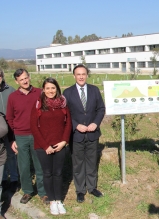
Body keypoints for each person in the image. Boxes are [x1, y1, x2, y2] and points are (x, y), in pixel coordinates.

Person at [63, 65, 105, 203]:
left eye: (83, 74)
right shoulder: (67, 93)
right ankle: (80, 190)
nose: (81, 76)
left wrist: (95, 123)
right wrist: (76, 125)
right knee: (78, 163)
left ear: (87, 75)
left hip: (92, 134)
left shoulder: (94, 90)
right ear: (74, 76)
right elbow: (65, 114)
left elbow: (101, 109)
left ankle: (92, 187)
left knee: (92, 162)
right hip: (76, 135)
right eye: (78, 74)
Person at [30, 78, 72, 215]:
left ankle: (59, 200)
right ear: (43, 89)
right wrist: (45, 146)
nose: (50, 91)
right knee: (47, 173)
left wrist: (64, 141)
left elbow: (68, 124)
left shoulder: (63, 104)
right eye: (47, 88)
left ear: (57, 89)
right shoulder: (38, 105)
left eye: (53, 88)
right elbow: (34, 127)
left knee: (58, 173)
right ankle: (52, 201)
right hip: (43, 147)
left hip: (60, 145)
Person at [6, 69, 47, 204]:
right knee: (23, 166)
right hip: (21, 135)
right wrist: (12, 139)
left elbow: (45, 112)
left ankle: (42, 192)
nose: (24, 81)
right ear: (16, 82)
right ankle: (28, 191)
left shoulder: (39, 93)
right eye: (21, 79)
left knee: (39, 164)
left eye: (25, 78)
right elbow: (10, 118)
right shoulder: (13, 97)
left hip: (37, 134)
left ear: (29, 77)